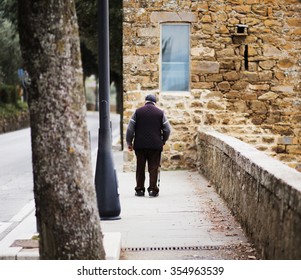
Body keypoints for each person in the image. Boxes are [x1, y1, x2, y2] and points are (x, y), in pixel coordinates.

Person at [126, 94, 171, 197]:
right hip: (155, 145)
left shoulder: (137, 112)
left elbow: (130, 129)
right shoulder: (160, 113)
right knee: (154, 167)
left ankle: (139, 190)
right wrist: (163, 140)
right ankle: (153, 190)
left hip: (140, 145)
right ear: (155, 102)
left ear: (145, 101)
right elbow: (167, 129)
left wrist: (129, 142)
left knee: (140, 167)